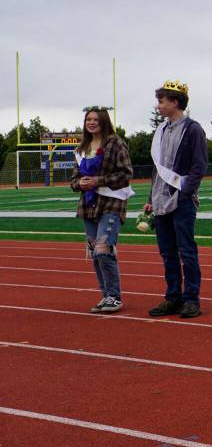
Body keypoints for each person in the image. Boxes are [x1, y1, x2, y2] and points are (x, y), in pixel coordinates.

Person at [145, 80, 209, 319]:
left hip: (181, 200)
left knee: (186, 251)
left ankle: (191, 299)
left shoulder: (193, 129)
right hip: (161, 199)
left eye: (162, 101)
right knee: (167, 252)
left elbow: (199, 166)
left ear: (175, 102)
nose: (158, 106)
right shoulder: (160, 130)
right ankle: (172, 297)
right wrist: (151, 197)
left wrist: (184, 193)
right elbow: (156, 168)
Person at [70, 106, 134, 313]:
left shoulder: (115, 143)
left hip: (111, 202)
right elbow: (73, 180)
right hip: (88, 204)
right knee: (94, 252)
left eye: (95, 119)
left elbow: (126, 174)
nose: (91, 122)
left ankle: (114, 296)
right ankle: (105, 294)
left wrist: (98, 181)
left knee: (103, 248)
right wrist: (80, 184)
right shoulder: (81, 149)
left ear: (104, 121)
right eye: (88, 119)